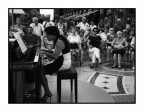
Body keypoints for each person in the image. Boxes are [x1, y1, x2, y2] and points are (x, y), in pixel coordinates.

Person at [37, 26, 71, 101]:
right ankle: (39, 89)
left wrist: (44, 52)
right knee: (39, 69)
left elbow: (55, 56)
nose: (46, 36)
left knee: (40, 71)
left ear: (53, 34)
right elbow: (55, 52)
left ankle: (47, 92)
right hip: (60, 60)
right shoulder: (58, 39)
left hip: (63, 63)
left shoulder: (60, 42)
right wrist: (43, 50)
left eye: (47, 34)